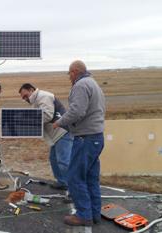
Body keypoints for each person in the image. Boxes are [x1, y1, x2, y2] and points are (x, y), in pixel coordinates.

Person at [53, 60, 105, 226]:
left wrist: (60, 122)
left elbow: (77, 111)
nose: (69, 77)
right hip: (96, 137)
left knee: (74, 177)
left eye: (69, 73)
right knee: (90, 178)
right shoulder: (93, 83)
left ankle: (83, 215)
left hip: (85, 139)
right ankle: (94, 214)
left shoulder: (81, 85)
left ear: (75, 72)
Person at [19, 83, 73, 190]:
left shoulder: (44, 96)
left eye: (25, 96)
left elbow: (47, 115)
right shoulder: (37, 101)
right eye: (23, 98)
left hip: (62, 132)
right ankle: (62, 182)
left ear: (31, 90)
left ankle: (73, 188)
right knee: (53, 159)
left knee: (63, 162)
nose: (25, 99)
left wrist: (30, 121)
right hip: (56, 135)